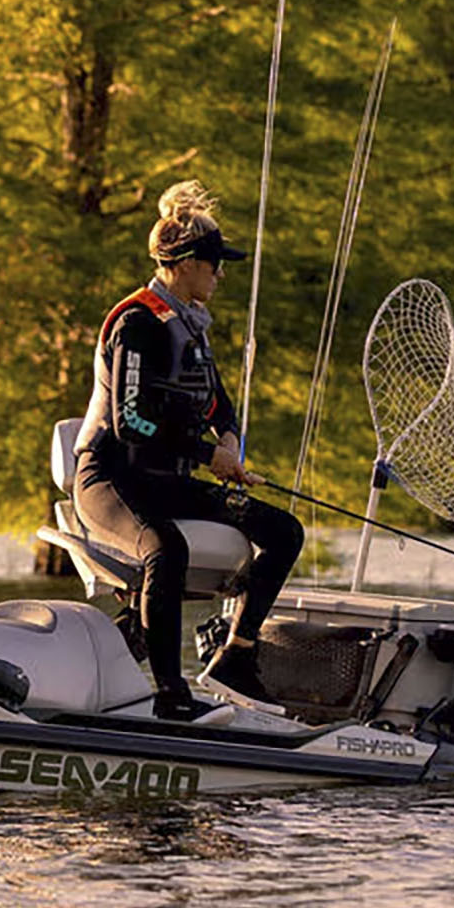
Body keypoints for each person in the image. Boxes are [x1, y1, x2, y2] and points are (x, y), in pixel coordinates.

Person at [73, 181, 305, 719]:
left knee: (282, 532)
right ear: (185, 264)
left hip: (165, 481)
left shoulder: (190, 327)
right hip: (110, 478)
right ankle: (171, 696)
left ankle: (236, 657)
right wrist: (208, 458)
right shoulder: (137, 324)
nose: (221, 274)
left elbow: (221, 407)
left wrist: (227, 440)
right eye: (214, 263)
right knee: (166, 550)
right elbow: (129, 423)